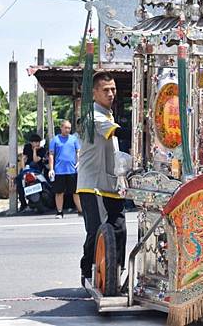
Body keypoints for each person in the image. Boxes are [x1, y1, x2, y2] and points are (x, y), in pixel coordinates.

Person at [77, 72, 126, 285]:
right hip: (92, 185)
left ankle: (115, 272)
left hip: (111, 184)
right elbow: (120, 133)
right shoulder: (93, 116)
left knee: (119, 228)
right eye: (105, 90)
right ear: (94, 93)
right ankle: (87, 271)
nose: (111, 93)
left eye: (113, 89)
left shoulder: (108, 114)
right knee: (96, 231)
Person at [48, 120, 82, 218]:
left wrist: (79, 161)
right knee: (59, 192)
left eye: (69, 128)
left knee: (76, 192)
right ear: (61, 128)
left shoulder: (73, 139)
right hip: (59, 170)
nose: (67, 130)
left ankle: (80, 211)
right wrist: (51, 169)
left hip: (72, 170)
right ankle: (59, 212)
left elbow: (78, 151)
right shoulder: (55, 140)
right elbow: (51, 154)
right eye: (66, 128)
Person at [17, 133, 48, 212]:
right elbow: (23, 159)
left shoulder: (42, 150)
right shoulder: (27, 147)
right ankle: (23, 204)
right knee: (19, 183)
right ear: (31, 142)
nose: (37, 143)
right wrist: (23, 170)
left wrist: (34, 150)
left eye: (38, 142)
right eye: (35, 142)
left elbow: (36, 160)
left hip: (37, 170)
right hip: (27, 170)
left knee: (46, 184)